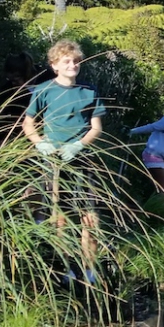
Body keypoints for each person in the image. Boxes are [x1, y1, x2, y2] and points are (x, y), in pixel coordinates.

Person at [22, 39, 107, 282]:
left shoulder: (89, 92)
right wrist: (40, 143)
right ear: (54, 65)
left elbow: (96, 128)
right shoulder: (43, 90)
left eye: (76, 61)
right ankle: (65, 270)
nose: (73, 64)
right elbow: (28, 124)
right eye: (67, 61)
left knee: (90, 217)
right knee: (60, 217)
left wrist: (79, 144)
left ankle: (90, 271)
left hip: (82, 161)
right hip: (55, 163)